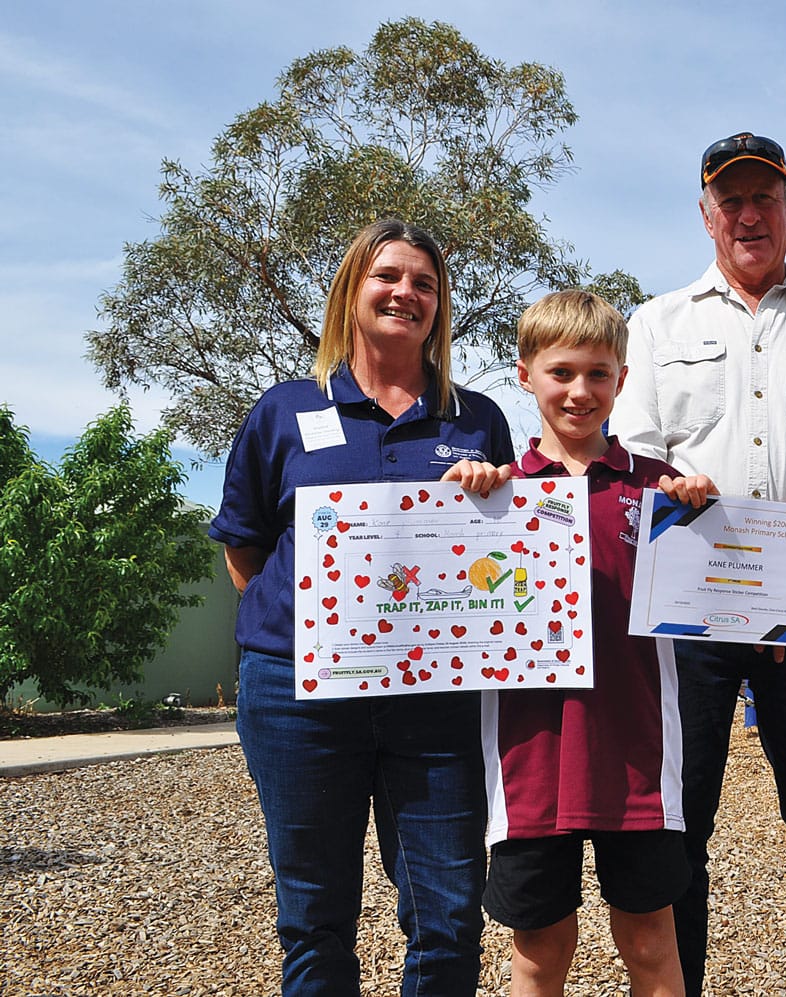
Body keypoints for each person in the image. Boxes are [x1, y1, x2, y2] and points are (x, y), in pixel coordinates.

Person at [609, 133, 786, 996]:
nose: (748, 214)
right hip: (687, 604)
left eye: (763, 197)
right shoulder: (657, 325)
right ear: (706, 216)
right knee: (676, 826)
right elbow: (633, 447)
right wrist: (675, 483)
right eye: (729, 200)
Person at [209, 218, 513, 996]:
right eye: (388, 276)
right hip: (299, 696)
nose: (405, 292)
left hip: (436, 700)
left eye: (424, 282)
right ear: (353, 290)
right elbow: (245, 549)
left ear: (439, 307)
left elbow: (510, 551)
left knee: (448, 918)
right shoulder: (282, 411)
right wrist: (316, 628)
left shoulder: (476, 420)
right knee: (314, 921)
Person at [479, 289, 716, 997]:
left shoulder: (661, 494)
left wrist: (704, 508)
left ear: (621, 378)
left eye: (598, 373)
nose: (579, 391)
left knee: (649, 940)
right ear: (525, 374)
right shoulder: (492, 496)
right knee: (541, 949)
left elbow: (730, 589)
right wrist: (462, 500)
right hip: (529, 761)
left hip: (638, 756)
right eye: (561, 372)